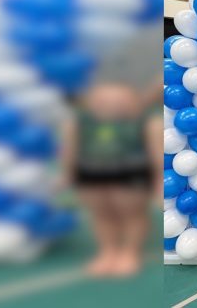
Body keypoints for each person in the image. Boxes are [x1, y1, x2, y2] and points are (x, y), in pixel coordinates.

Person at [60, 82, 162, 277]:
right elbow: (70, 151)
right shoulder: (79, 123)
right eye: (102, 101)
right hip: (91, 172)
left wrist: (158, 183)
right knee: (101, 214)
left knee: (132, 214)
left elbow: (156, 155)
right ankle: (108, 250)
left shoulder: (147, 123)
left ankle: (130, 252)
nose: (109, 105)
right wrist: (68, 175)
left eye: (117, 101)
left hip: (130, 173)